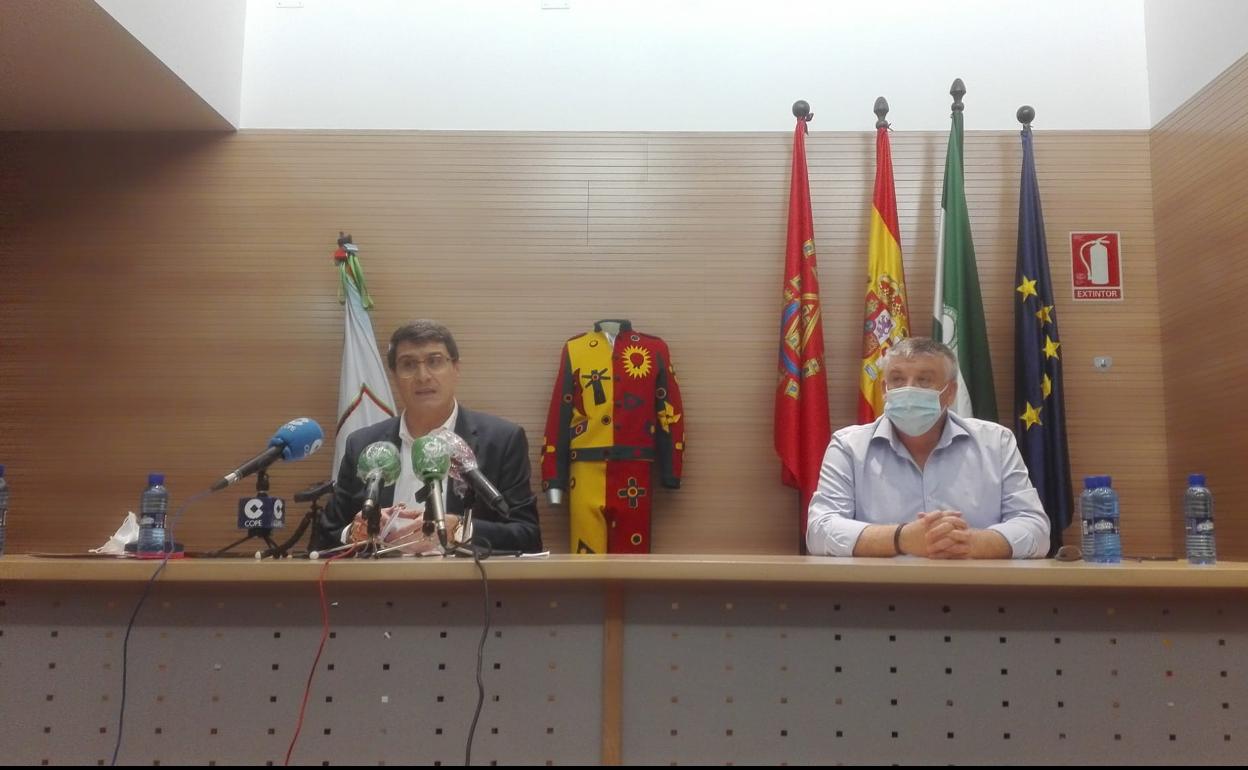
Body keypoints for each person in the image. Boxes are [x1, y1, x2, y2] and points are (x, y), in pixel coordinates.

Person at [806, 337, 1049, 559]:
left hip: (973, 588)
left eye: (923, 380)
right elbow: (819, 531)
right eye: (898, 380)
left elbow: (1035, 529)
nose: (909, 389)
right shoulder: (849, 446)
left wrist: (967, 542)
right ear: (884, 390)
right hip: (880, 589)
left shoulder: (996, 442)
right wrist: (901, 539)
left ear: (950, 392)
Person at [317, 320, 543, 554]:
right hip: (382, 576)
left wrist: (461, 530)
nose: (422, 376)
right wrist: (353, 533)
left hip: (465, 577)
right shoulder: (363, 445)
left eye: (434, 361)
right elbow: (323, 540)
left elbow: (528, 536)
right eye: (408, 364)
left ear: (456, 368)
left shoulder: (501, 441)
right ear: (394, 375)